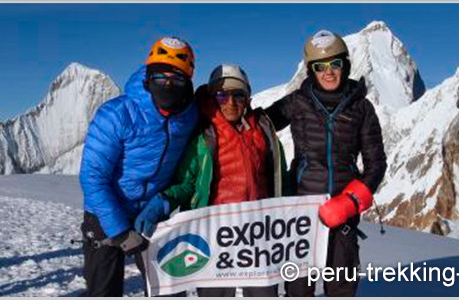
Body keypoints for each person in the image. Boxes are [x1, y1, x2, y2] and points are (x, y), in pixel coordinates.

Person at [265, 30, 387, 297]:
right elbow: (258, 126)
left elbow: (376, 164)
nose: (328, 72)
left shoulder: (362, 108)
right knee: (298, 289)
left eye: (335, 64)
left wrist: (350, 202)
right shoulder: (296, 103)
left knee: (341, 288)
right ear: (311, 70)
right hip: (301, 213)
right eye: (320, 66)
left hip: (342, 214)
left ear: (345, 65)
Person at [78, 36, 199, 297]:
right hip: (105, 212)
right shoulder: (116, 114)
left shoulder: (190, 116)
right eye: (159, 79)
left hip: (152, 214)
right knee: (104, 290)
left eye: (176, 80)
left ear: (187, 84)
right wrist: (120, 232)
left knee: (168, 288)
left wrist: (164, 203)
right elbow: (93, 176)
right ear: (147, 79)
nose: (167, 86)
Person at [153, 64, 288, 297]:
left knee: (264, 294)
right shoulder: (203, 136)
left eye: (238, 95)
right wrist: (165, 200)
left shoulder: (263, 131)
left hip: (258, 234)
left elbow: (279, 177)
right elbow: (186, 183)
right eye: (222, 95)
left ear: (247, 98)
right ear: (213, 98)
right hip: (214, 234)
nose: (231, 102)